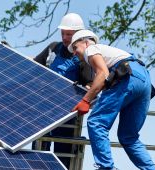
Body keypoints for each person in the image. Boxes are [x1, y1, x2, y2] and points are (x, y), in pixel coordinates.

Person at [69, 29, 155, 169]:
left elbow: (102, 73)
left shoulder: (91, 50)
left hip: (127, 78)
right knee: (128, 137)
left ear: (86, 42)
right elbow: (106, 81)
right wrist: (92, 90)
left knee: (96, 122)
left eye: (75, 47)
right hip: (143, 80)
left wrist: (85, 100)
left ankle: (106, 167)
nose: (74, 52)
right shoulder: (108, 53)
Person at [33, 13, 95, 168]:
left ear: (78, 35)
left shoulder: (83, 56)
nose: (65, 37)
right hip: (42, 109)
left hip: (66, 115)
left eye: (69, 34)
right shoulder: (53, 48)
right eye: (63, 33)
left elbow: (89, 85)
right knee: (38, 153)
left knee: (62, 158)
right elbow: (33, 66)